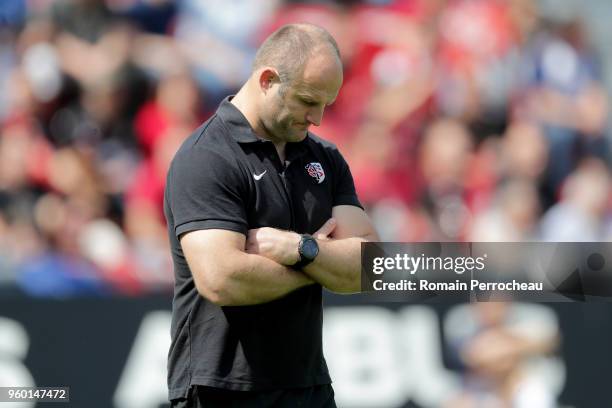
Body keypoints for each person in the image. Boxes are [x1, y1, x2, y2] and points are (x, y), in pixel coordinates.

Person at [164, 23, 378, 408]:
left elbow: (371, 267)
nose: (318, 118)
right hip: (220, 390)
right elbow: (222, 278)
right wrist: (319, 266)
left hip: (308, 387)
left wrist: (300, 249)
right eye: (308, 100)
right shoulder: (206, 157)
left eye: (326, 104)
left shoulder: (324, 157)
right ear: (267, 80)